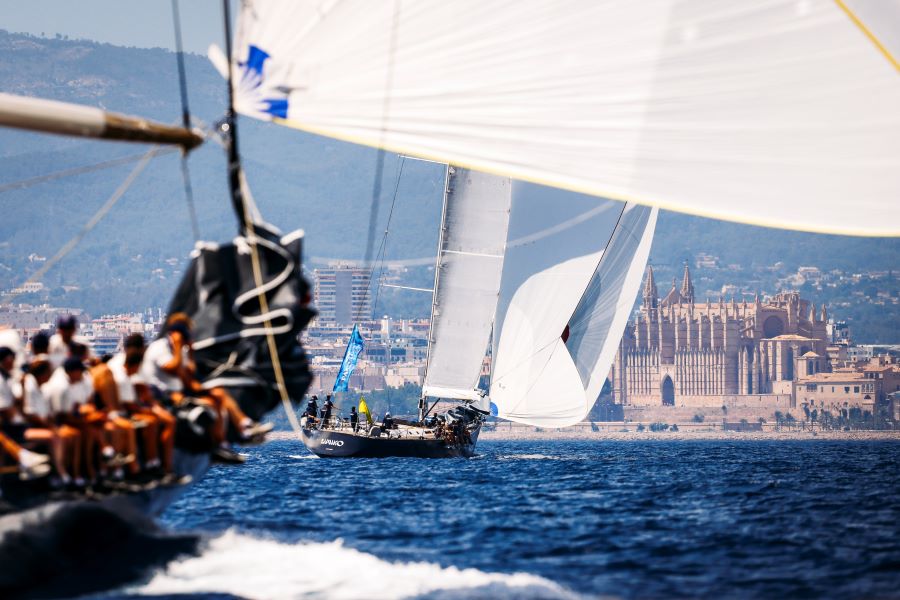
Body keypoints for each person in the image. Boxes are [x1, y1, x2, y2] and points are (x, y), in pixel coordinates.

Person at [109, 333, 176, 474]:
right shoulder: (122, 373)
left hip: (130, 407)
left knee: (162, 419)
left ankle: (156, 463)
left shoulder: (119, 362)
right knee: (155, 421)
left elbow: (142, 391)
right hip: (121, 412)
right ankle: (155, 464)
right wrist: (152, 410)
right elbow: (130, 404)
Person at [22, 357, 81, 485]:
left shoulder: (41, 388)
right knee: (56, 437)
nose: (50, 375)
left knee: (70, 436)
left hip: (42, 426)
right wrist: (50, 426)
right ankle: (62, 474)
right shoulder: (30, 387)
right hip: (28, 428)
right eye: (49, 372)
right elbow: (30, 414)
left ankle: (70, 473)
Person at [0, 346, 51, 479]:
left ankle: (24, 459)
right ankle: (24, 458)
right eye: (11, 359)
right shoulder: (2, 380)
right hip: (9, 426)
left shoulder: (8, 379)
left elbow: (17, 406)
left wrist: (22, 387)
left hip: (12, 425)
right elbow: (6, 410)